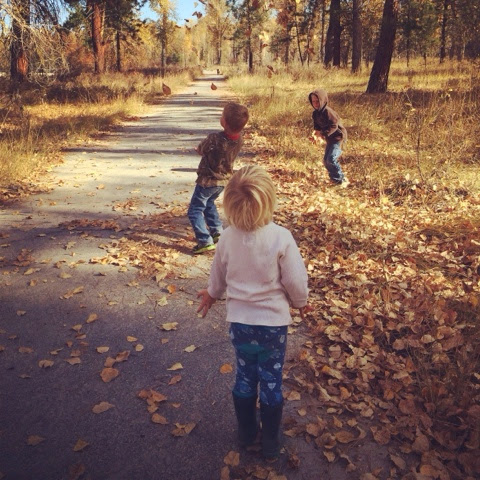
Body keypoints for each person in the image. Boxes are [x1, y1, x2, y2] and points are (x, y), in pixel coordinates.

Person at [196, 165, 310, 460]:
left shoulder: (227, 238)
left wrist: (211, 294)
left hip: (241, 325)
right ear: (270, 201)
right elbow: (295, 280)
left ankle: (247, 432)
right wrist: (301, 302)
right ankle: (270, 440)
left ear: (229, 205)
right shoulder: (281, 237)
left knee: (245, 374)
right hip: (272, 328)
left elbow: (218, 274)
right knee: (271, 379)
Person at [187, 102, 249, 254]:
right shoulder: (239, 139)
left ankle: (204, 240)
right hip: (223, 181)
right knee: (209, 204)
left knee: (195, 209)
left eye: (222, 115)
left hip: (207, 181)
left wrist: (199, 149)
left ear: (224, 122)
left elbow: (202, 149)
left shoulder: (214, 138)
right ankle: (217, 231)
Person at [308, 88, 349, 187]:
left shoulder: (328, 112)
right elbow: (317, 127)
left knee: (331, 159)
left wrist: (323, 135)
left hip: (339, 138)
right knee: (326, 160)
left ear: (323, 100)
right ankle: (335, 179)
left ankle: (341, 180)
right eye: (313, 101)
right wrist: (315, 136)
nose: (315, 104)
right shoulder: (315, 113)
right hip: (330, 139)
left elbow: (334, 125)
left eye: (317, 101)